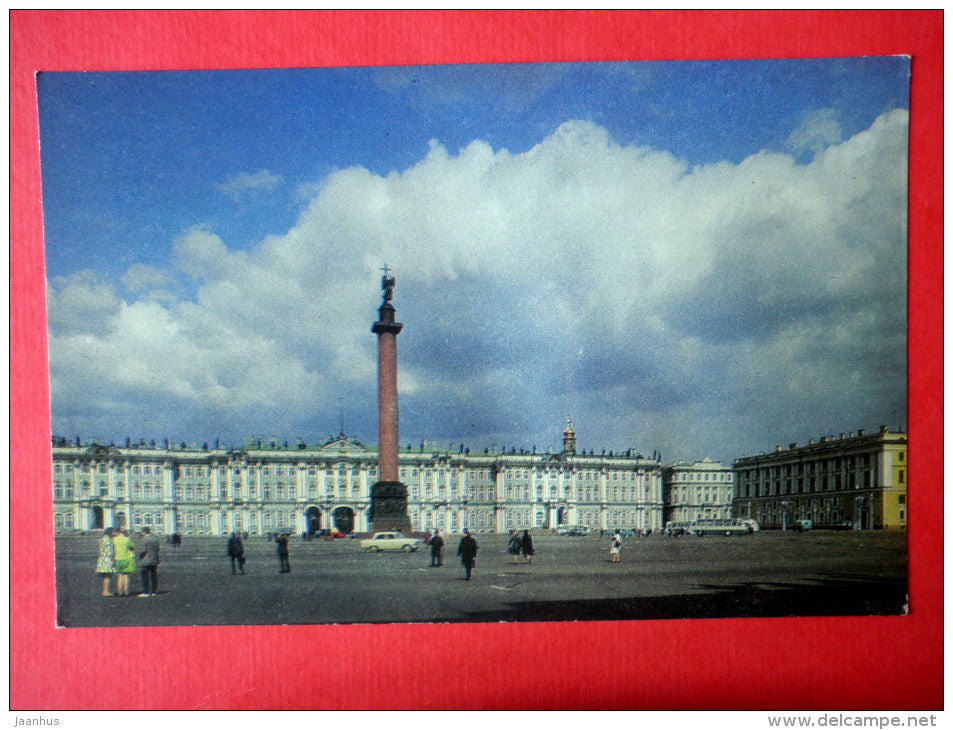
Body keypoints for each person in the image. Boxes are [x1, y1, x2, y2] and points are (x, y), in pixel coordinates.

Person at [137, 526, 160, 596]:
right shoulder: (155, 539)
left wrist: (140, 556)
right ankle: (154, 591)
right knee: (154, 576)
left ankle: (146, 591)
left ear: (144, 532)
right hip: (154, 559)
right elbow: (158, 549)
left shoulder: (144, 540)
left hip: (146, 560)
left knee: (145, 576)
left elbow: (142, 550)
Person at [113, 528, 137, 596]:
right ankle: (126, 591)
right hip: (127, 558)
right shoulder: (127, 539)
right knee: (126, 576)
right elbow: (133, 547)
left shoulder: (115, 540)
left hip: (118, 558)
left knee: (120, 576)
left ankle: (120, 592)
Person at [95, 527, 117, 596]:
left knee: (105, 577)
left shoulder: (102, 539)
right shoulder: (109, 540)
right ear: (111, 532)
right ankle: (106, 591)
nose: (115, 533)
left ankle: (104, 591)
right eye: (114, 532)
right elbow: (110, 551)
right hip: (107, 559)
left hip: (102, 559)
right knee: (108, 576)